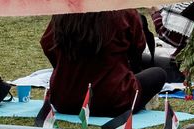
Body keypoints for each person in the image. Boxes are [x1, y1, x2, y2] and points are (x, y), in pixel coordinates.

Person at [41, 10, 174, 117]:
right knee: (158, 74)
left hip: (64, 100)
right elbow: (138, 48)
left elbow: (47, 45)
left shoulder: (65, 10)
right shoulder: (123, 11)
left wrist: (65, 71)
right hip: (115, 100)